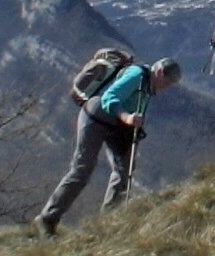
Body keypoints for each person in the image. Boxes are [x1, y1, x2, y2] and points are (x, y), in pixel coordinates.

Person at [33, 57, 181, 237]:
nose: (169, 87)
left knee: (124, 171)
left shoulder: (149, 86)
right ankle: (47, 219)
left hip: (115, 125)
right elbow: (110, 97)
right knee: (82, 170)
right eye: (169, 82)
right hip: (95, 118)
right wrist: (127, 117)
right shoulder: (137, 75)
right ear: (159, 73)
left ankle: (107, 223)